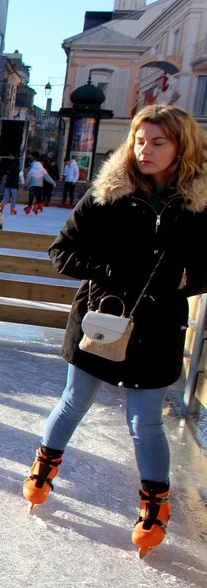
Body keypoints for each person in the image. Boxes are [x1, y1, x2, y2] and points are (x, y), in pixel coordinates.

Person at [22, 104, 207, 556]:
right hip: (101, 319)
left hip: (158, 327)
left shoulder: (199, 202)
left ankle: (155, 505)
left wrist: (187, 280)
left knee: (145, 423)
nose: (145, 149)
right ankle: (43, 468)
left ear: (180, 146)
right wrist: (108, 269)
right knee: (73, 402)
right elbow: (61, 250)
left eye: (157, 142)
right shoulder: (109, 192)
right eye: (140, 140)